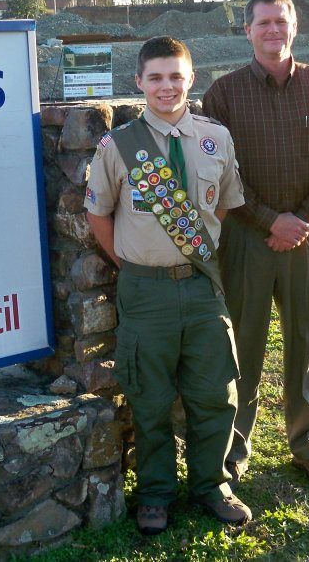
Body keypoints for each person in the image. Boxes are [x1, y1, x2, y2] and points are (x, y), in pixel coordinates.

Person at [84, 36, 249, 535]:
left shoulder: (215, 138)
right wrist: (135, 262)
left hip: (201, 286)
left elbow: (221, 206)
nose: (166, 86)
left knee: (214, 392)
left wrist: (188, 254)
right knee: (150, 396)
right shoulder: (119, 146)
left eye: (175, 76)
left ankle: (211, 484)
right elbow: (98, 214)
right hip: (145, 291)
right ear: (139, 82)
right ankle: (155, 492)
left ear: (191, 79)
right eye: (155, 77)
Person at [202, 0, 309, 486]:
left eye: (281, 22)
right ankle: (234, 445)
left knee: (307, 340)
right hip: (246, 237)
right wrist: (269, 221)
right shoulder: (223, 94)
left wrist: (301, 219)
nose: (273, 31)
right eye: (263, 23)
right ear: (247, 31)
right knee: (243, 342)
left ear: (294, 27)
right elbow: (219, 173)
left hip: (307, 236)